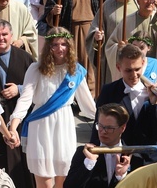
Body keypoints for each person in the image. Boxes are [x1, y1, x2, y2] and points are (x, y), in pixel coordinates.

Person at [9, 28, 96, 188]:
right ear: (48, 47)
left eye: (64, 44)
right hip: (40, 126)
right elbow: (25, 99)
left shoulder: (75, 71)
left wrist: (105, 122)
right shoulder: (36, 69)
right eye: (55, 44)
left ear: (69, 46)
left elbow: (88, 105)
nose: (60, 48)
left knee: (63, 178)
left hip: (64, 125)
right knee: (44, 180)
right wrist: (14, 125)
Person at [0, 20, 35, 188]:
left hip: (19, 115)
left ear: (11, 36)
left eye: (4, 34)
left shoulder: (25, 58)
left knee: (21, 160)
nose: (1, 38)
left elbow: (36, 85)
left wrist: (19, 89)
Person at [92, 45, 157, 167]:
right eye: (128, 70)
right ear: (118, 67)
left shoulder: (155, 92)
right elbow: (98, 126)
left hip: (148, 159)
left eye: (137, 69)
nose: (134, 75)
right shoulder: (109, 91)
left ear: (143, 63)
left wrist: (154, 104)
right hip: (119, 159)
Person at [99, 0, 157, 80]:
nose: (149, 2)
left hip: (154, 70)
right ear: (138, 1)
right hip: (133, 72)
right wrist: (119, 48)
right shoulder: (127, 21)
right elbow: (110, 46)